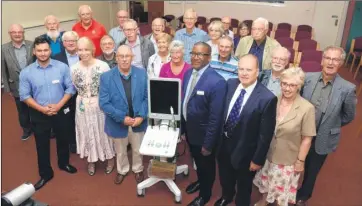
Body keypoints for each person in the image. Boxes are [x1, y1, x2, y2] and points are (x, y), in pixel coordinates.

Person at [296, 46, 357, 206]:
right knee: (293, 163)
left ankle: (303, 197)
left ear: (341, 63)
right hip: (300, 133)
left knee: (312, 170)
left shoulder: (347, 88)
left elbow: (348, 115)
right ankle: (286, 190)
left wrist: (331, 124)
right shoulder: (307, 78)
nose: (330, 62)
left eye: (335, 59)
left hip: (323, 135)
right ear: (322, 61)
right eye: (328, 58)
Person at [215, 54, 277, 206]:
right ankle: (227, 196)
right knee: (224, 175)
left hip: (246, 151)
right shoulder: (230, 84)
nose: (243, 73)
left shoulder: (267, 98)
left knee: (244, 185)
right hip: (224, 143)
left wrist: (257, 159)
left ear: (257, 71)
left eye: (248, 69)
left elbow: (265, 135)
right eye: (241, 69)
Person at [19, 36, 77, 190]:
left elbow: (70, 89)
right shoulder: (26, 72)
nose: (43, 53)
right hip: (39, 112)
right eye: (39, 50)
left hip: (61, 109)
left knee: (63, 138)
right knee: (41, 144)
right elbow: (24, 96)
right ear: (34, 52)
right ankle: (45, 173)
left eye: (46, 50)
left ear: (50, 50)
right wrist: (42, 108)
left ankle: (63, 163)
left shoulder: (62, 67)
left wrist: (58, 106)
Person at [253, 67, 316, 206]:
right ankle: (263, 201)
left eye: (292, 85)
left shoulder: (307, 108)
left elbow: (307, 139)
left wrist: (300, 161)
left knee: (280, 195)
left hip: (287, 159)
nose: (287, 88)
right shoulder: (272, 99)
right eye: (284, 84)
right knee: (265, 184)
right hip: (267, 154)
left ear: (299, 86)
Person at [181, 42, 226, 206]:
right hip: (190, 131)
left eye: (200, 54)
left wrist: (208, 144)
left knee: (206, 166)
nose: (195, 57)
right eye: (193, 53)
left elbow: (216, 117)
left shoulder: (217, 82)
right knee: (198, 164)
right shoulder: (187, 74)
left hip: (205, 136)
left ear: (209, 58)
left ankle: (205, 195)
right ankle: (201, 182)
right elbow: (185, 102)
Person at [99, 45, 148, 185]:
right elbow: (104, 103)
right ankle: (122, 170)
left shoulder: (142, 73)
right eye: (121, 56)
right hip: (117, 122)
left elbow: (147, 97)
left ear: (132, 57)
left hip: (138, 121)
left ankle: (138, 169)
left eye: (127, 56)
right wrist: (122, 118)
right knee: (120, 151)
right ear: (116, 58)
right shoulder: (106, 77)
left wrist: (141, 116)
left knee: (138, 149)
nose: (125, 59)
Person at [71, 37, 115, 176]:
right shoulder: (73, 68)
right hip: (82, 104)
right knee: (86, 131)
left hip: (100, 104)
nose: (83, 52)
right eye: (80, 50)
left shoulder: (103, 66)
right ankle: (91, 159)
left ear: (93, 50)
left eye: (86, 49)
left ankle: (109, 158)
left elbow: (110, 87)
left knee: (103, 131)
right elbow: (74, 86)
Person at [2, 24, 33, 140]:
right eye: (14, 32)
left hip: (33, 84)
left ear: (23, 33)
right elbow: (3, 70)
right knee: (22, 110)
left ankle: (39, 127)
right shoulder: (3, 49)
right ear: (10, 34)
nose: (17, 34)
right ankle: (27, 130)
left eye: (20, 32)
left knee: (36, 107)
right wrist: (7, 88)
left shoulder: (32, 44)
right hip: (16, 85)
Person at [53, 31, 80, 153]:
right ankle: (73, 142)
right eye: (67, 41)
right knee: (69, 119)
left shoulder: (84, 54)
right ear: (63, 43)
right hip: (65, 94)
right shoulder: (56, 58)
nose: (70, 43)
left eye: (73, 40)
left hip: (82, 93)